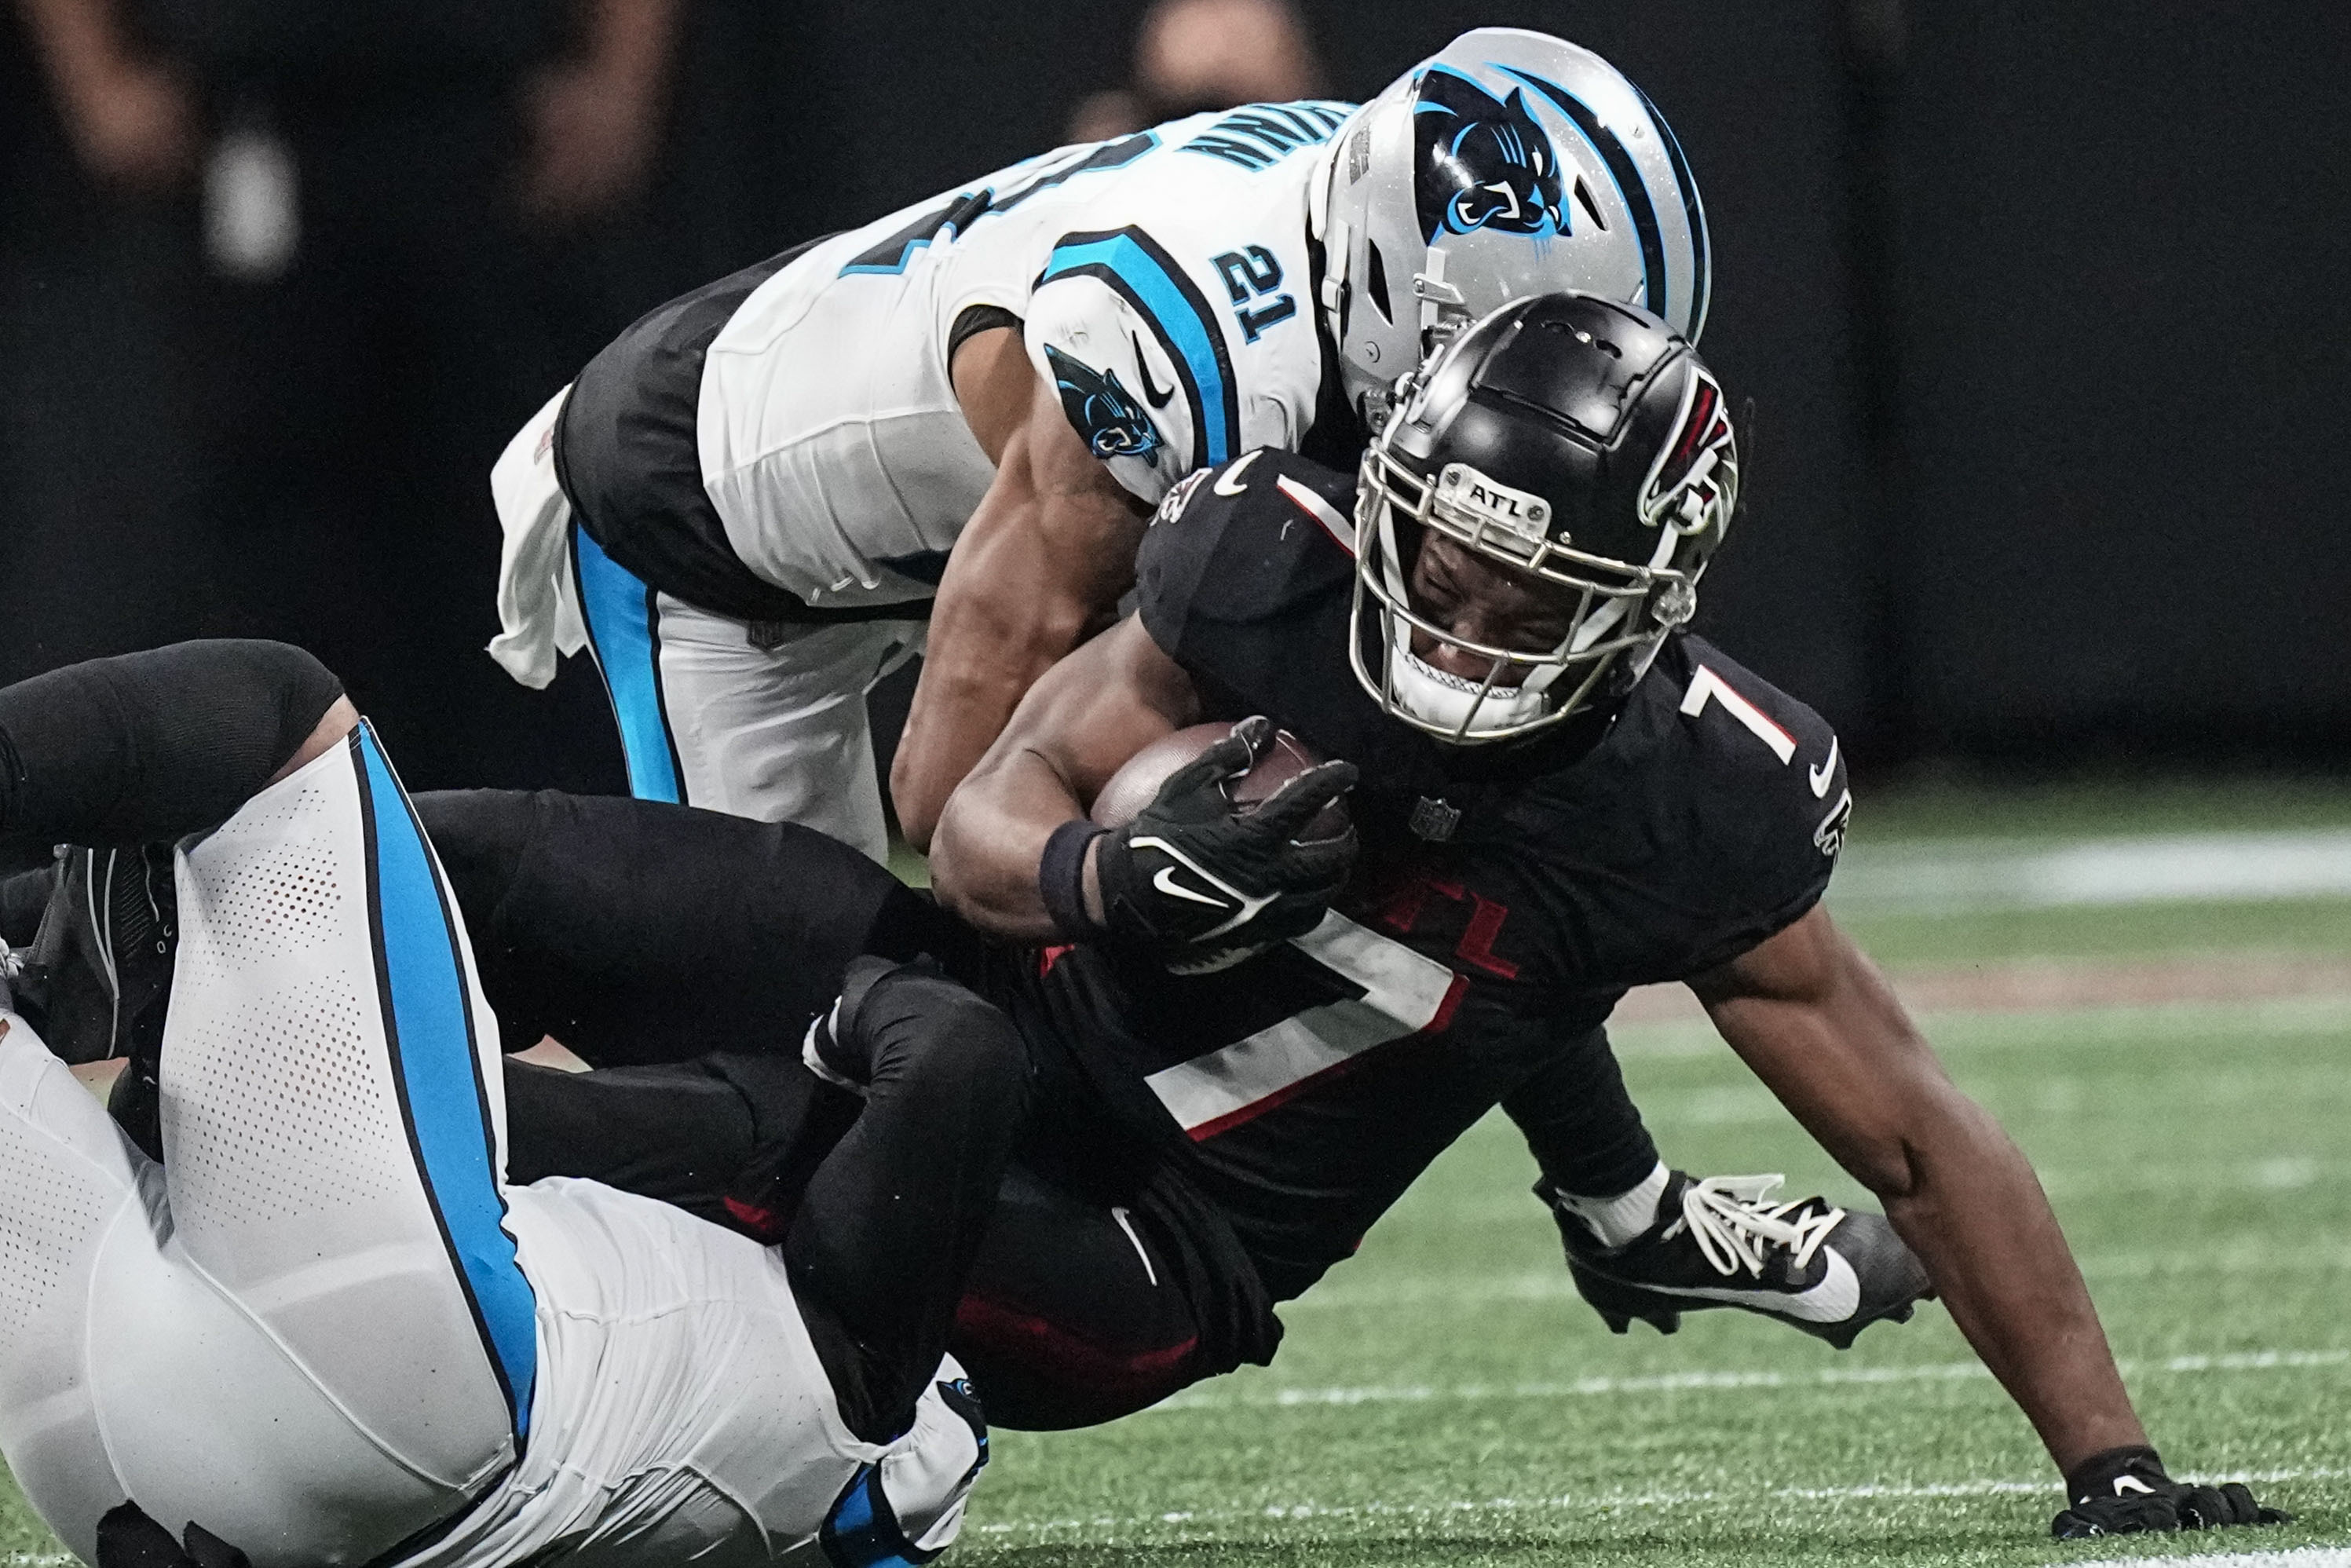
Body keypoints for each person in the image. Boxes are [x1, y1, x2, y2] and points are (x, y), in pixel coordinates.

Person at [914, 292, 2291, 1539]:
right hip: (997, 1026)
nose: (1450, 631)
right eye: (1442, 567)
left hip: (1165, 1231)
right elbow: (980, 809)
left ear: (1639, 614)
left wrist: (2109, 1458)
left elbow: (1916, 1134)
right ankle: (1631, 1206)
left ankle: (1628, 1207)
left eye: (1521, 604)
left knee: (1497, 914)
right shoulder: (1277, 566)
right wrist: (1103, 873)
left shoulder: (1684, 804)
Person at [484, 25, 1712, 860]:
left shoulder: (1361, 222)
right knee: (789, 1016)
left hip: (918, 520)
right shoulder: (1186, 346)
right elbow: (947, 793)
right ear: (1412, 301)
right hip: (707, 515)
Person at [0, 641, 1014, 1568]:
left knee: (279, 718)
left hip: (403, 1383)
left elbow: (959, 1048)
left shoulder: (861, 1387)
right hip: (125, 1485)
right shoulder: (744, 1468)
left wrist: (845, 1015)